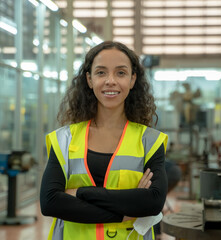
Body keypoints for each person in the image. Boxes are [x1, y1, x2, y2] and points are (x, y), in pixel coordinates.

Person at [40, 41, 168, 240]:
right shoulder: (64, 139)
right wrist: (125, 212)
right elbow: (50, 203)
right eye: (101, 73)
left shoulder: (150, 141)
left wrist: (80, 193)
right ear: (89, 80)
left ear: (133, 80)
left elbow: (153, 202)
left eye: (121, 73)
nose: (110, 81)